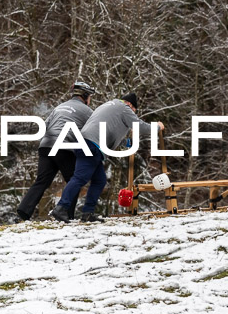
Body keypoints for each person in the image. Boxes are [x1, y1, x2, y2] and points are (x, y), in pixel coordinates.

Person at [49, 93, 164, 223]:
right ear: (130, 105)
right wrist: (157, 127)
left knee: (99, 180)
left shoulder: (108, 106)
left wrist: (127, 143)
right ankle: (61, 208)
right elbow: (140, 126)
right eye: (134, 112)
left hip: (87, 142)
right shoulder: (124, 108)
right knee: (80, 178)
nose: (133, 114)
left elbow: (111, 129)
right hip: (92, 144)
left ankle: (87, 213)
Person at [17, 82, 96, 221]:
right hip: (63, 146)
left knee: (42, 180)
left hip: (46, 145)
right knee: (74, 180)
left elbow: (45, 126)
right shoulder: (87, 111)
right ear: (84, 96)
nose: (89, 100)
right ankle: (65, 214)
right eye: (89, 97)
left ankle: (23, 212)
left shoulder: (59, 107)